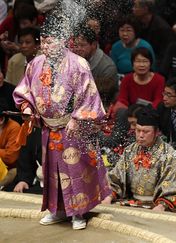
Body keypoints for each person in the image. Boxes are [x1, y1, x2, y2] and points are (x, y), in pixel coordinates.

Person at [12, 5, 112, 229]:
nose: (46, 46)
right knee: (53, 171)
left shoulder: (79, 64)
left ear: (64, 40)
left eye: (51, 41)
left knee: (76, 171)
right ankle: (57, 210)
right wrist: (28, 110)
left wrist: (77, 119)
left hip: (73, 126)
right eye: (43, 41)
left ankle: (78, 213)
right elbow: (23, 91)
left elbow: (90, 96)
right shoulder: (35, 64)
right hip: (49, 128)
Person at [103, 106, 176, 212]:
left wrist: (161, 206)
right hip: (131, 202)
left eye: (145, 132)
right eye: (138, 130)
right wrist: (109, 196)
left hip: (158, 205)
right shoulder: (130, 150)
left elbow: (172, 186)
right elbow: (116, 178)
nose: (140, 135)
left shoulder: (168, 153)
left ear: (157, 132)